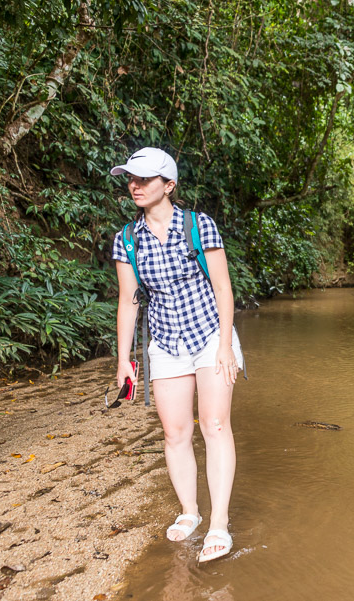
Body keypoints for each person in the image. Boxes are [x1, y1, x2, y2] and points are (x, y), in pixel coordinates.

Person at [110, 147, 242, 563]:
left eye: (145, 179)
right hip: (165, 342)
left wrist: (225, 346)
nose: (135, 185)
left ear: (169, 185)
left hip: (209, 335)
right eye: (131, 178)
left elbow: (223, 288)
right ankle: (191, 513)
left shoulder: (198, 227)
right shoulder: (127, 239)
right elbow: (129, 302)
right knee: (175, 433)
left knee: (216, 425)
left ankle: (218, 523)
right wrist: (123, 361)